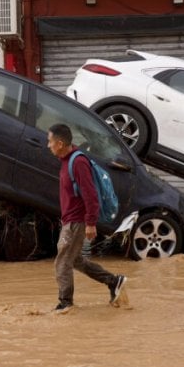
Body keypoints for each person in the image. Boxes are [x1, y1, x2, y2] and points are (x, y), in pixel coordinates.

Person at [47, 123, 127, 313]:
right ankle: (114, 281)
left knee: (62, 261)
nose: (47, 145)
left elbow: (90, 195)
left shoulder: (78, 162)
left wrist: (91, 223)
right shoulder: (66, 161)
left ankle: (65, 303)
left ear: (59, 143)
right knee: (74, 260)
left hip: (76, 221)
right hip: (70, 220)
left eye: (49, 141)